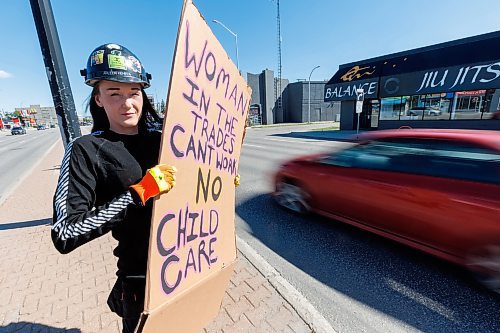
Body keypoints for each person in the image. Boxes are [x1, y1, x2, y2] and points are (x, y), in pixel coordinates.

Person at [51, 43, 176, 333]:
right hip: (140, 281)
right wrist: (137, 194)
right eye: (114, 93)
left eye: (134, 92)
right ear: (97, 99)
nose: (127, 103)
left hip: (184, 267)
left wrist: (213, 179)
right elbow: (65, 233)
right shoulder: (86, 150)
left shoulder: (166, 139)